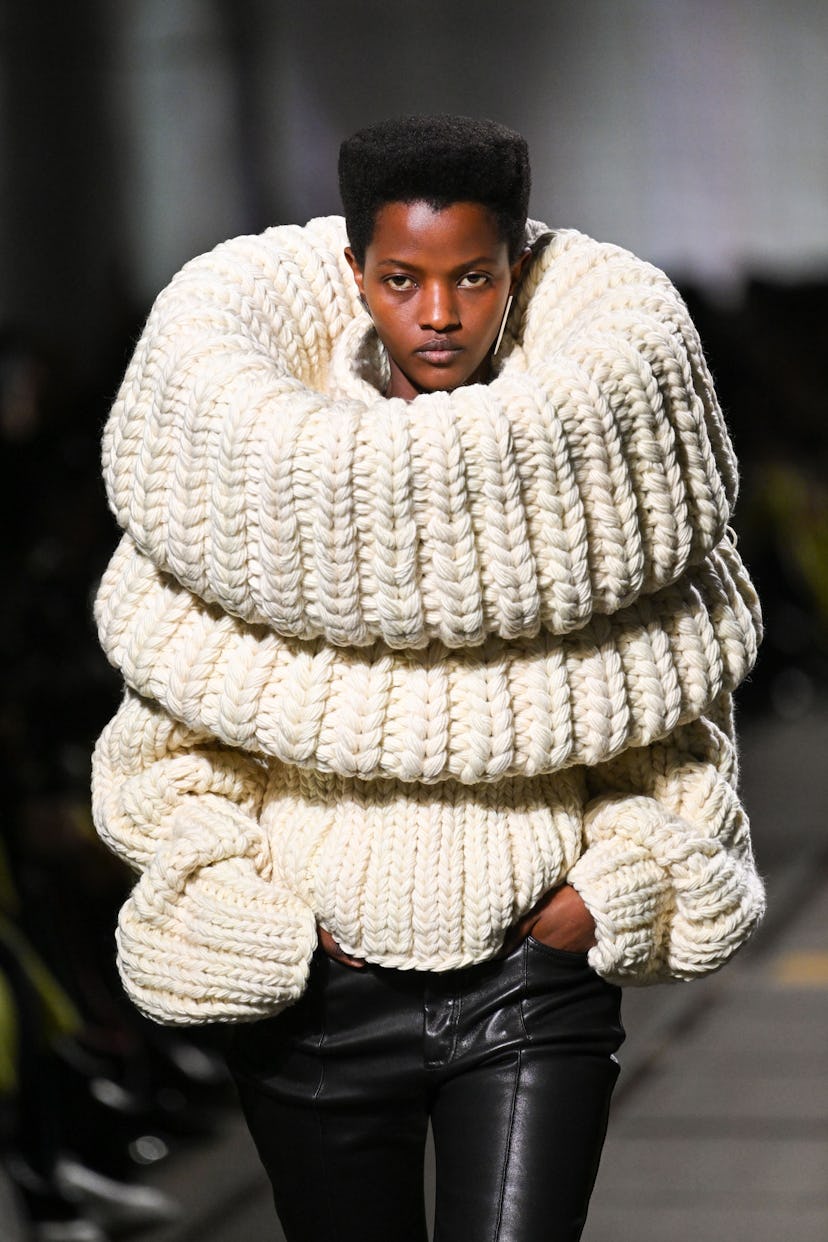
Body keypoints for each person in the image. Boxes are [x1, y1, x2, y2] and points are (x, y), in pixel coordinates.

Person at [92, 115, 765, 1241]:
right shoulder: (261, 467)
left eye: (474, 278)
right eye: (402, 279)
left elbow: (672, 721)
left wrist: (606, 893)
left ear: (519, 270)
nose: (440, 314)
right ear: (354, 272)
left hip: (528, 985)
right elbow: (171, 744)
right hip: (319, 999)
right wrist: (260, 917)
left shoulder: (588, 467)